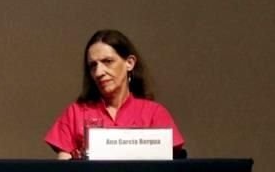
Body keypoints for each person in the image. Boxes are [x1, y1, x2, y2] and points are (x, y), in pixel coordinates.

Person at [45, 29, 185, 159]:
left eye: (108, 61)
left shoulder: (154, 114)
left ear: (129, 63)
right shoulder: (76, 113)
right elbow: (64, 170)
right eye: (93, 66)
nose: (99, 72)